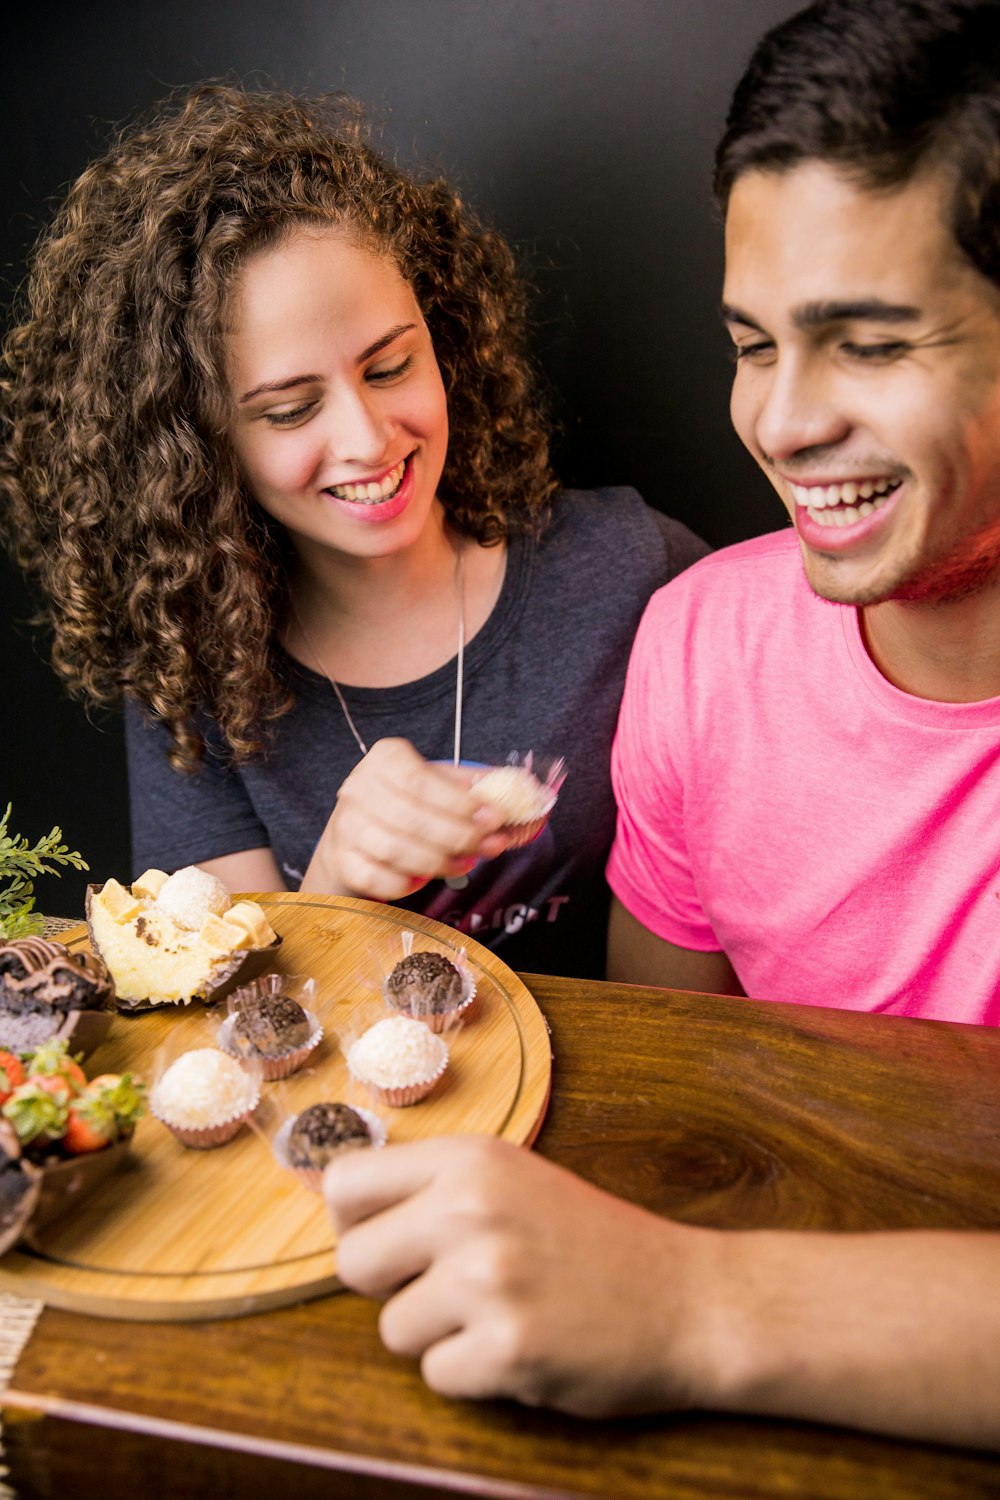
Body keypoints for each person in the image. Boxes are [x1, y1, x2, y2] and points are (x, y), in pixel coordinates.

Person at [325, 0, 1000, 1449]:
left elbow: (668, 1277)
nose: (782, 419)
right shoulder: (702, 642)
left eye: (867, 345)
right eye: (754, 344)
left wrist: (693, 1311)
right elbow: (657, 1099)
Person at [0, 85, 706, 979]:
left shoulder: (636, 573)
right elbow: (229, 1026)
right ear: (198, 446)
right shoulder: (197, 676)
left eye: (391, 365)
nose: (368, 439)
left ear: (442, 336)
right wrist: (339, 886)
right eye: (291, 410)